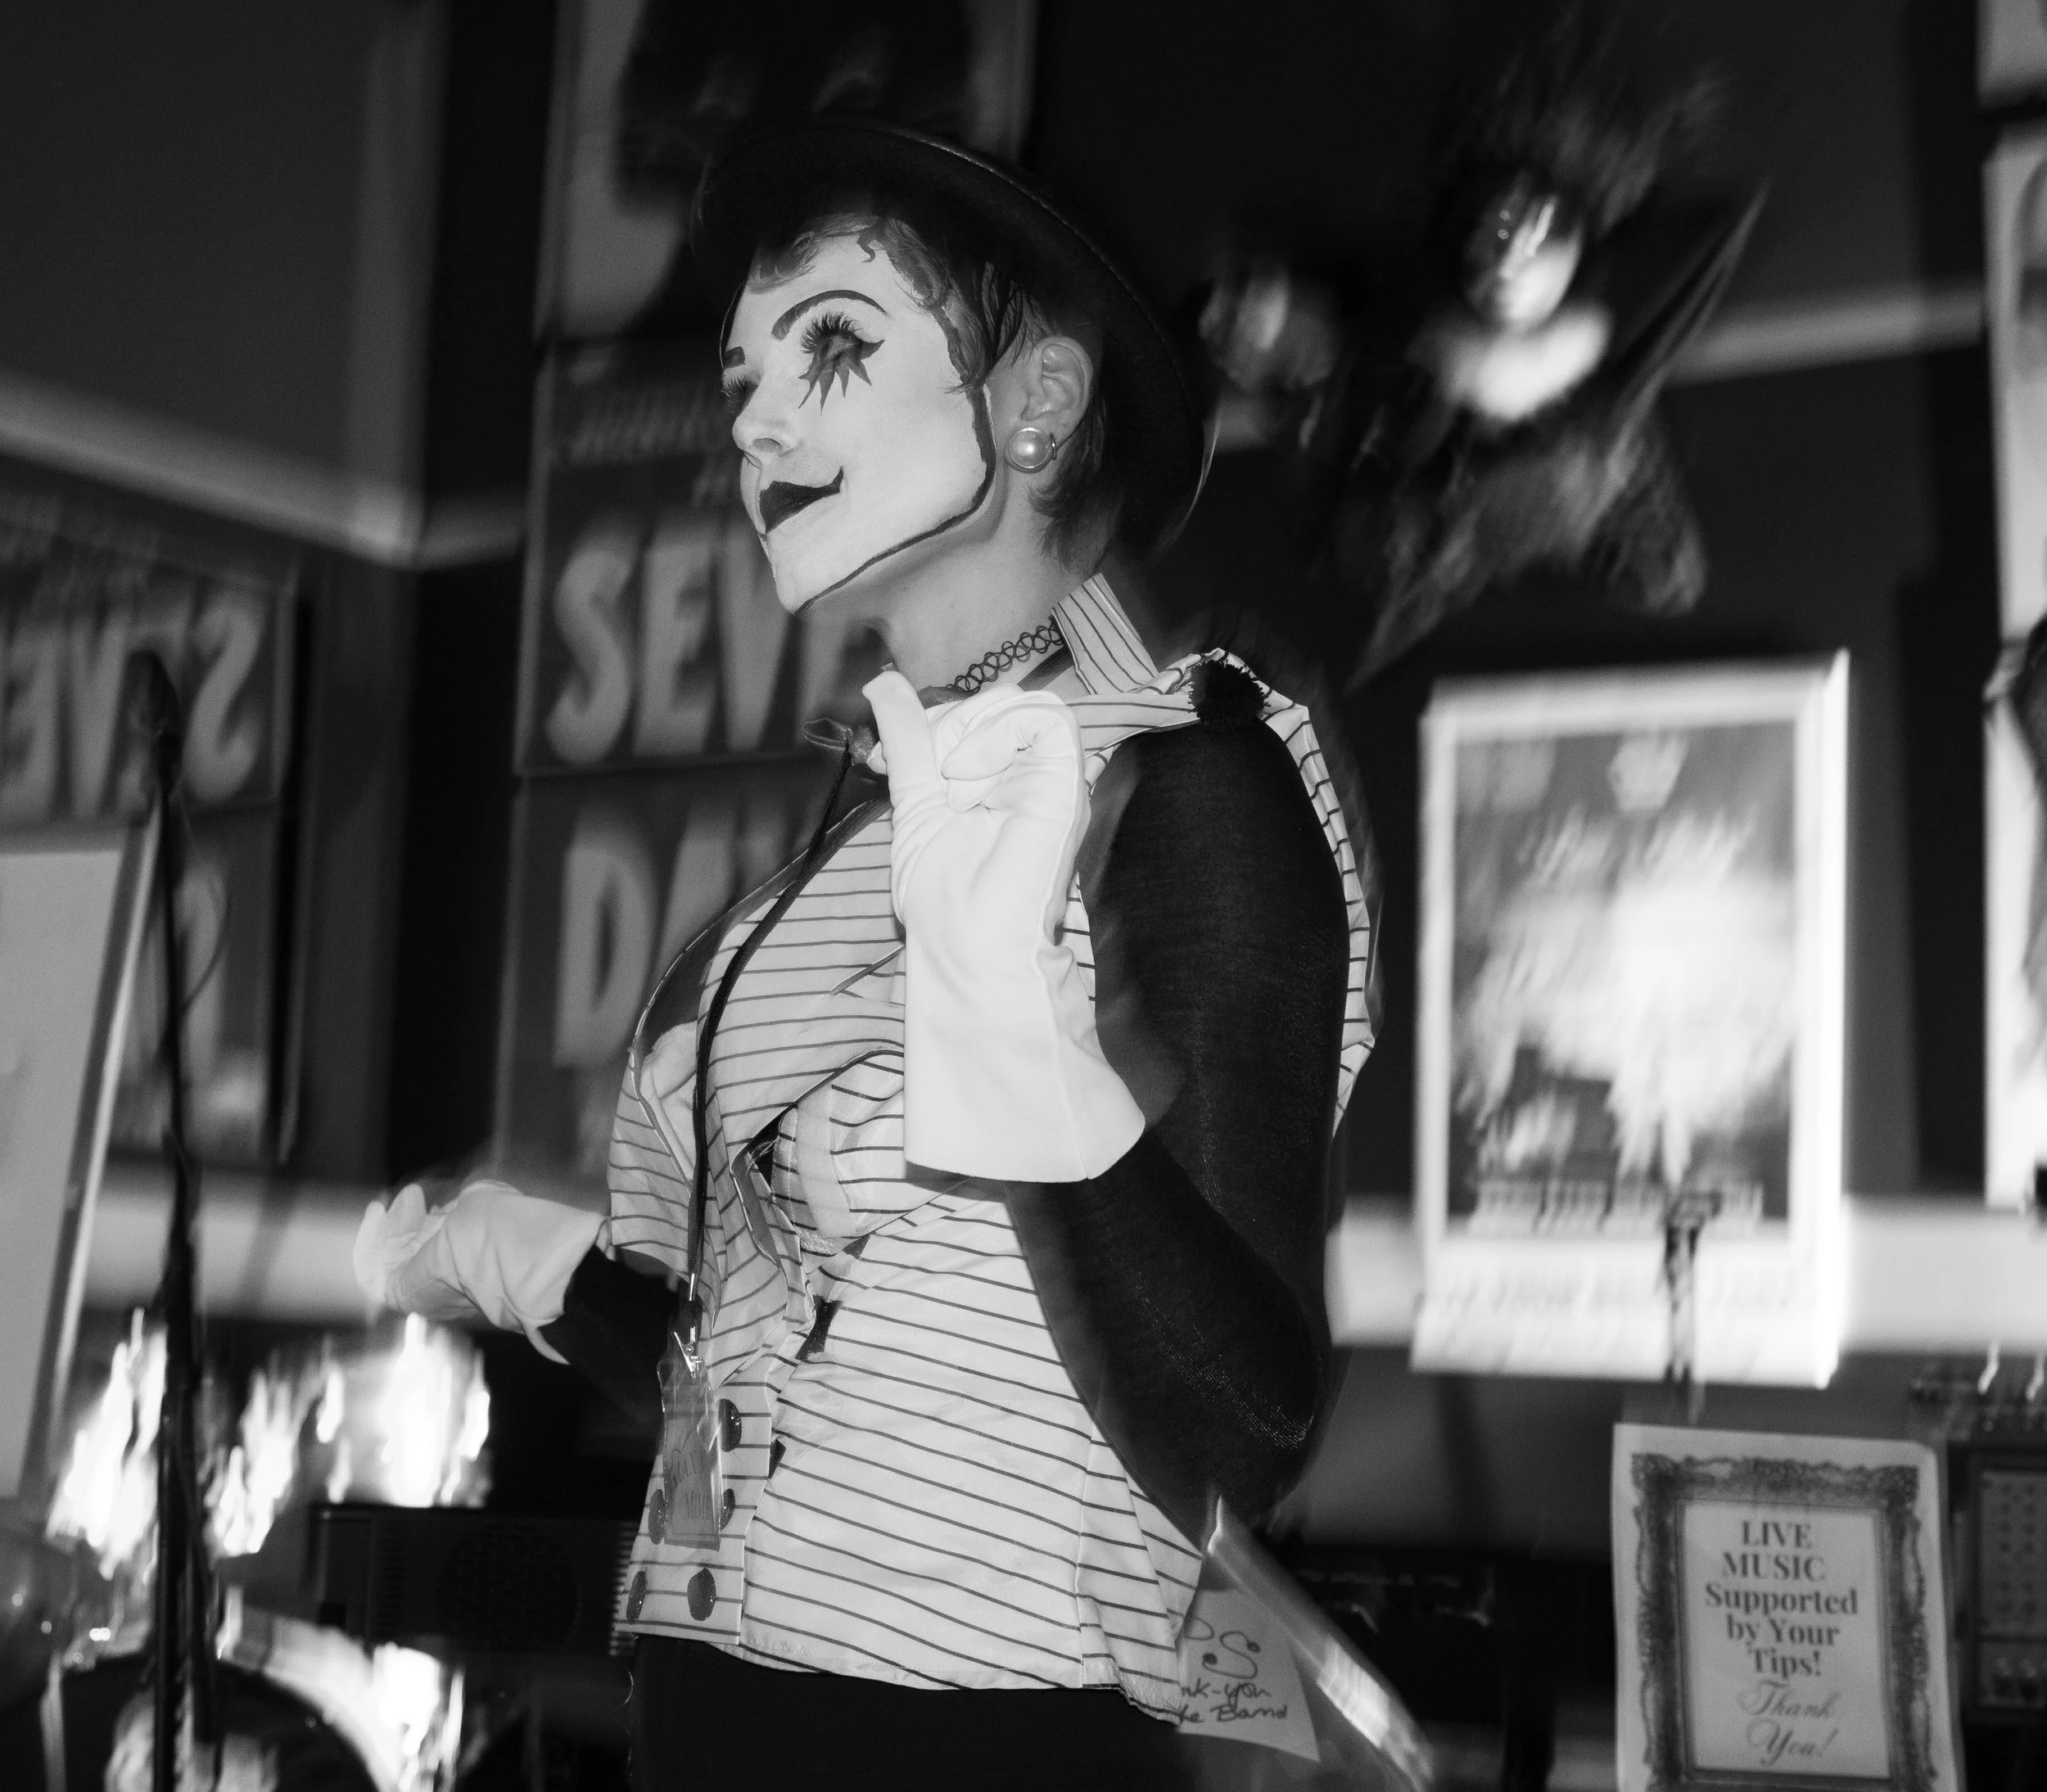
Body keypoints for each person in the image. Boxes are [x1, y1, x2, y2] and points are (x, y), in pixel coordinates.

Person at [355, 120, 1375, 1790]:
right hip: (720, 1720)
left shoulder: (1177, 784)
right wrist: (548, 1278)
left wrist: (1016, 1054)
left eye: (832, 346)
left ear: (1037, 401)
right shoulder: (861, 830)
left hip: (984, 1749)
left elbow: (1241, 1432)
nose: (756, 418)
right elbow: (817, 1369)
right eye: (744, 372)